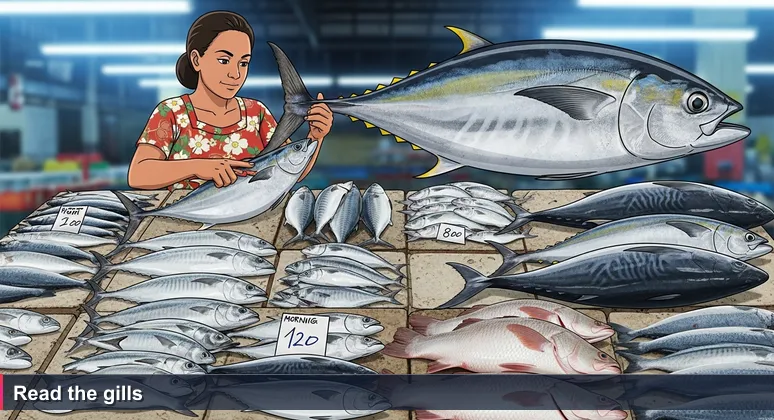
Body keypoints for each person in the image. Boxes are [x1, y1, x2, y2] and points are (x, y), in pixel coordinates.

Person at [127, 11, 332, 190]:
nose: (235, 74)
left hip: (249, 218)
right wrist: (198, 166)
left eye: (243, 63)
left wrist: (315, 137)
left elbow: (287, 171)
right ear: (197, 60)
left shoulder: (256, 113)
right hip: (181, 220)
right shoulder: (171, 112)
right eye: (224, 60)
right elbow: (138, 174)